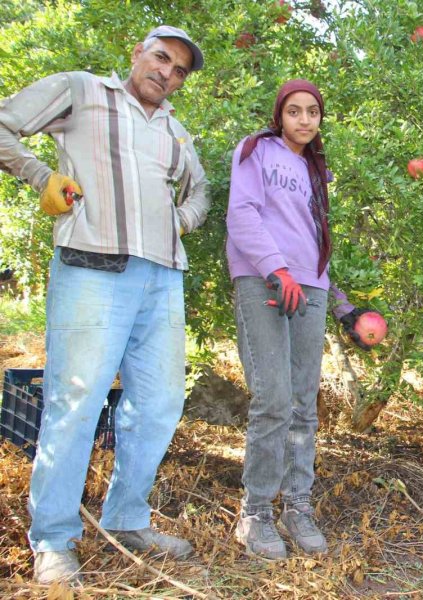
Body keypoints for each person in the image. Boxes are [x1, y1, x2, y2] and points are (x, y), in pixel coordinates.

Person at [0, 26, 208, 583]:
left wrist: (178, 223)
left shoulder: (175, 131)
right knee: (76, 401)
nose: (167, 72)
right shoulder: (82, 90)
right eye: (161, 58)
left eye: (179, 70)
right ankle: (52, 538)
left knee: (161, 403)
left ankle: (127, 517)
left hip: (162, 279)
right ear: (138, 54)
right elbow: (4, 123)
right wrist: (43, 175)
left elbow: (200, 192)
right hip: (92, 268)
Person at [226, 79, 378, 559]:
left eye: (313, 111)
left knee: (302, 405)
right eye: (295, 111)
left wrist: (342, 305)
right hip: (265, 282)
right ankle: (255, 514)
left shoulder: (316, 169)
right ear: (280, 114)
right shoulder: (256, 150)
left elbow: (315, 241)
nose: (305, 120)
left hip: (309, 289)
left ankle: (296, 505)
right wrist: (277, 270)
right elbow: (242, 213)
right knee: (272, 400)